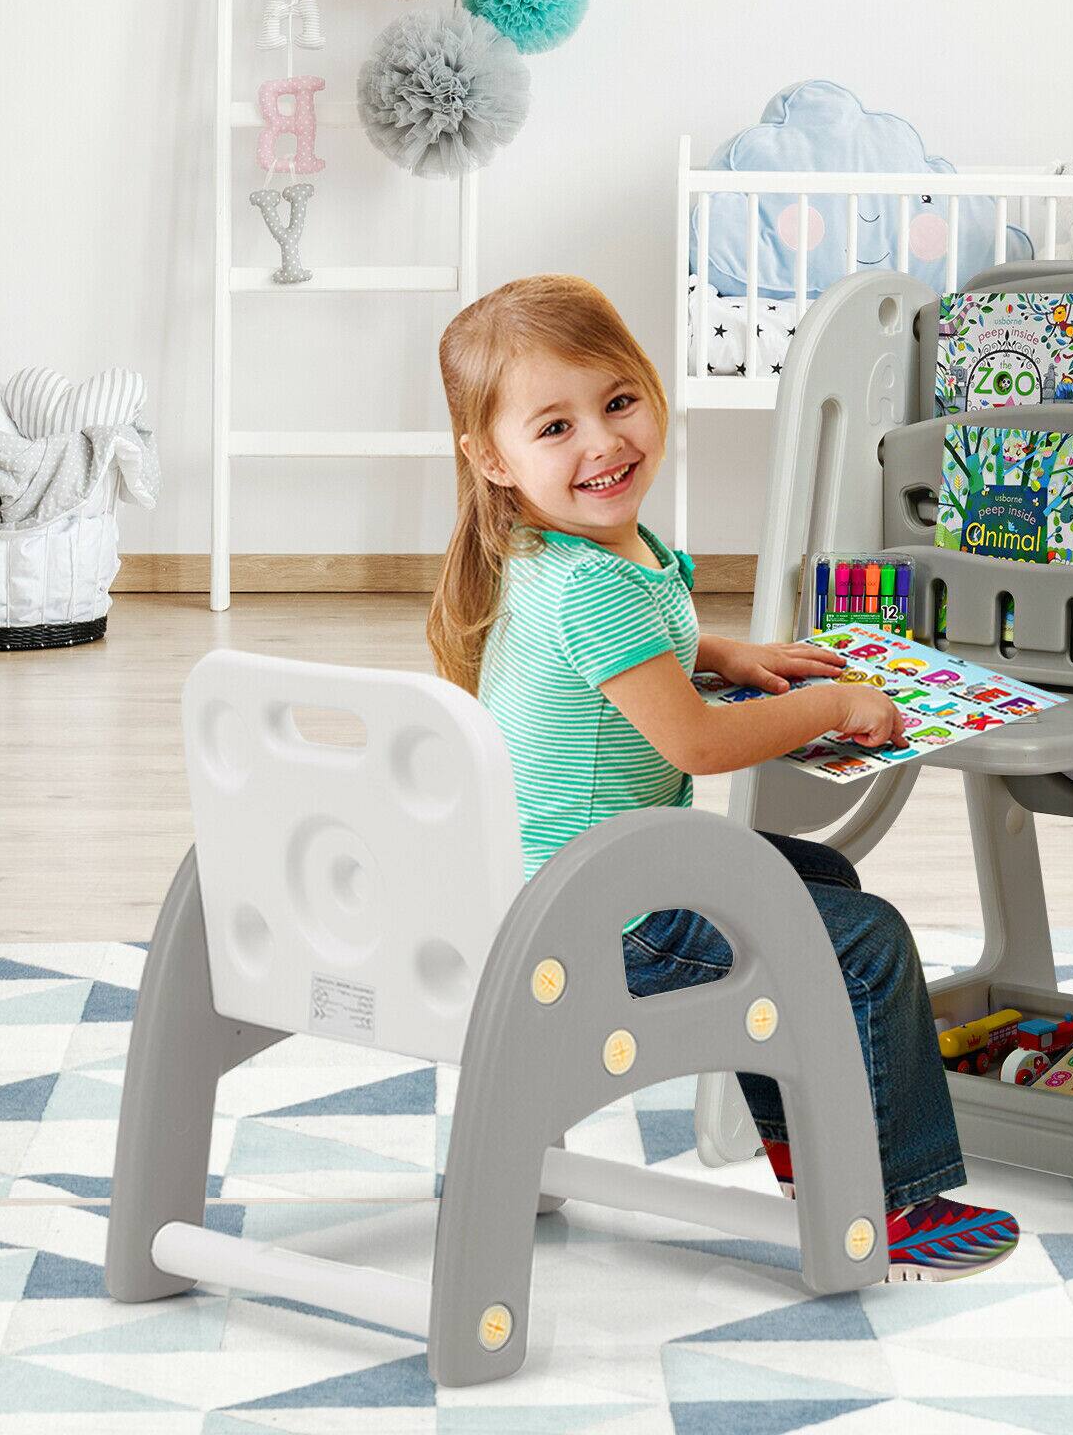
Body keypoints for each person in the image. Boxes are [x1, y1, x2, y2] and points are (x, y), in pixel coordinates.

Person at [426, 274, 1017, 1280]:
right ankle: (889, 1201)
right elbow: (697, 745)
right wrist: (832, 708)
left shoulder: (558, 551)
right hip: (608, 917)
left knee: (820, 881)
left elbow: (639, 652)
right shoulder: (592, 585)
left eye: (618, 402)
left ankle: (808, 1150)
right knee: (864, 943)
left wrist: (727, 653)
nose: (603, 443)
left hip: (576, 880)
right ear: (491, 457)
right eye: (556, 427)